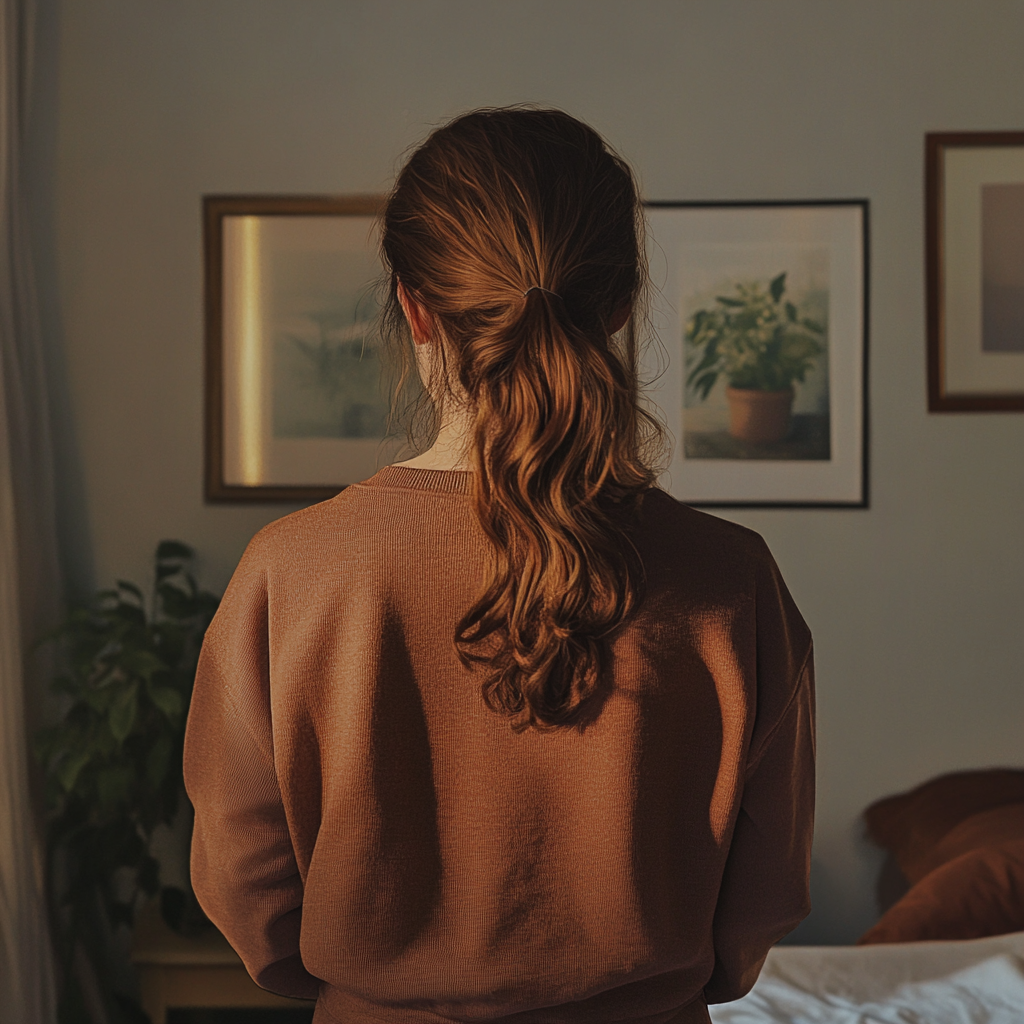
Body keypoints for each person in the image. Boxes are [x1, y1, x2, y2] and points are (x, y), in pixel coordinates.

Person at [183, 106, 815, 1024]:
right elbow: (766, 890)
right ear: (622, 307)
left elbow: (245, 881)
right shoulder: (731, 580)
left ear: (413, 307)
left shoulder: (293, 571)